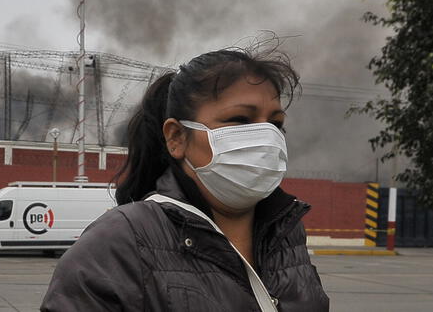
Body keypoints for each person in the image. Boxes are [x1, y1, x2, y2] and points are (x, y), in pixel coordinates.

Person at [40, 48, 329, 311]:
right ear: (176, 137)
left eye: (275, 123)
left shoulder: (286, 233)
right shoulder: (120, 242)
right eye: (240, 120)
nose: (266, 136)